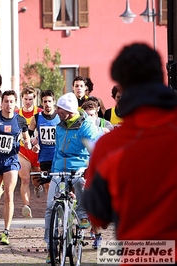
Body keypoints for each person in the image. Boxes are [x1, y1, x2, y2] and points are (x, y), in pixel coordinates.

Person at [83, 43, 177, 266]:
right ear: (161, 76)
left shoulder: (109, 147)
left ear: (121, 86)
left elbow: (97, 216)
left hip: (140, 255)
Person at [44, 92, 99, 263]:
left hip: (79, 167)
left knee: (81, 184)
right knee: (49, 206)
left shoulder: (86, 126)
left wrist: (90, 169)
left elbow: (94, 150)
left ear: (68, 110)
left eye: (59, 108)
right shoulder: (59, 126)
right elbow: (57, 152)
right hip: (60, 169)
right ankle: (50, 247)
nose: (56, 111)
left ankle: (83, 215)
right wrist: (52, 173)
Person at [0, 90, 31, 245]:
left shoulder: (21, 121)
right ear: (2, 103)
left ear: (15, 103)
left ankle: (6, 231)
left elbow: (26, 138)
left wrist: (30, 145)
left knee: (9, 194)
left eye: (11, 101)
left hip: (11, 160)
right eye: (6, 101)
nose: (8, 104)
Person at [81, 99, 113, 249]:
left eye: (92, 115)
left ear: (97, 114)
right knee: (90, 202)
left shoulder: (106, 126)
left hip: (105, 169)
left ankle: (101, 223)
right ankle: (97, 235)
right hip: (87, 169)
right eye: (86, 116)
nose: (89, 119)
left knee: (104, 212)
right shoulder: (81, 128)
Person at [16, 86, 42, 218]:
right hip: (23, 151)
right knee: (25, 179)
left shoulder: (40, 113)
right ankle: (27, 206)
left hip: (37, 152)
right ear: (22, 99)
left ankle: (37, 186)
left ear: (35, 99)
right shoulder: (16, 113)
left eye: (30, 99)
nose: (28, 102)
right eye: (25, 99)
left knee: (36, 180)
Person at [29, 90, 60, 196]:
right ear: (42, 103)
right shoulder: (37, 118)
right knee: (48, 187)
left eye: (49, 101)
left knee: (58, 186)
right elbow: (28, 135)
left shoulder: (60, 117)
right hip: (44, 158)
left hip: (58, 156)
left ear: (54, 102)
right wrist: (33, 143)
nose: (47, 104)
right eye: (45, 101)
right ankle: (52, 209)